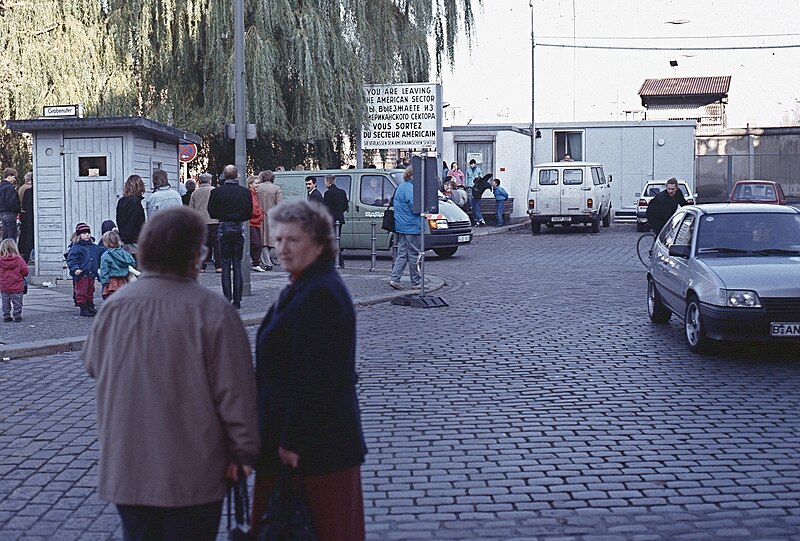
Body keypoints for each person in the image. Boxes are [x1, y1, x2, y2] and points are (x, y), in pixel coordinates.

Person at [83, 207, 260, 541]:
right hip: (193, 471)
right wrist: (244, 452)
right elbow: (236, 394)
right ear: (194, 256)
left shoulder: (115, 308)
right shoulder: (213, 312)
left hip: (128, 467)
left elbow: (92, 363)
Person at [251, 199, 366, 541]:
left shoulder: (321, 293)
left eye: (293, 240)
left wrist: (291, 442)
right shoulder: (305, 285)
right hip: (300, 444)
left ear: (318, 243)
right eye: (279, 239)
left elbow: (316, 379)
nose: (282, 248)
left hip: (312, 450)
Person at [207, 164, 252, 309]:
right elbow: (249, 213)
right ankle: (237, 300)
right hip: (238, 228)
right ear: (236, 176)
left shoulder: (217, 192)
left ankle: (227, 298)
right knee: (237, 263)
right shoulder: (245, 192)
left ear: (224, 176)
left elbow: (211, 212)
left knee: (225, 264)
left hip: (223, 227)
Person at [388, 166, 421, 290]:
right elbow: (415, 206)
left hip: (402, 225)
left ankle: (395, 278)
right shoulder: (411, 188)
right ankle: (416, 282)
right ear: (412, 175)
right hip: (412, 225)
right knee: (414, 255)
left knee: (402, 253)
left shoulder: (401, 186)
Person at [66, 222, 104, 317]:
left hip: (91, 274)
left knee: (90, 290)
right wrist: (75, 269)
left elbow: (102, 251)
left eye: (88, 233)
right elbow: (72, 260)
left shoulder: (94, 247)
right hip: (81, 274)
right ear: (79, 235)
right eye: (84, 233)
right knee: (81, 291)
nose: (87, 235)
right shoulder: (76, 247)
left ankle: (90, 306)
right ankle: (83, 308)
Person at [189, 173, 221, 272]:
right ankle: (218, 266)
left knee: (202, 243)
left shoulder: (195, 192)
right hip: (214, 220)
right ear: (209, 180)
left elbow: (191, 207)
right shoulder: (214, 190)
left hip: (200, 221)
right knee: (217, 244)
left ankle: (201, 266)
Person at [256, 170, 283, 270]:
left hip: (259, 217)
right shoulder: (277, 189)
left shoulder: (257, 188)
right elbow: (279, 205)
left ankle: (266, 262)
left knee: (262, 240)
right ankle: (274, 260)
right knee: (272, 239)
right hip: (272, 217)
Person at [98, 230, 136, 299]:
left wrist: (104, 281)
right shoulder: (125, 253)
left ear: (106, 242)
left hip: (112, 282)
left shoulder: (106, 255)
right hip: (124, 280)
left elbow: (104, 270)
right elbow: (133, 263)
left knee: (111, 299)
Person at [116, 175, 146, 255]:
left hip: (124, 239)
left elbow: (119, 219)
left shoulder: (121, 201)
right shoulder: (135, 202)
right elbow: (133, 222)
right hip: (135, 240)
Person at [0, 238, 28, 322]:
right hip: (17, 285)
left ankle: (6, 316)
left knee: (5, 302)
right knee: (17, 302)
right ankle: (17, 315)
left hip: (4, 286)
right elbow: (25, 271)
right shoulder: (19, 260)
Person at [323, 175, 348, 267]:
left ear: (328, 182)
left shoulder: (327, 194)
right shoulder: (342, 192)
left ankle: (336, 261)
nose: (324, 183)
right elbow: (345, 206)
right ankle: (339, 261)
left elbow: (325, 208)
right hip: (340, 219)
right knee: (336, 240)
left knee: (331, 241)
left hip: (331, 220)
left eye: (325, 181)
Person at [247, 175, 266, 272]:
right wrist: (260, 213)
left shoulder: (254, 195)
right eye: (256, 183)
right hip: (252, 222)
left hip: (255, 222)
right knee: (255, 243)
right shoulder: (251, 195)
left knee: (257, 243)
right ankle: (255, 262)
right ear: (250, 185)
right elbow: (253, 210)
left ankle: (255, 262)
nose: (258, 185)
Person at [17, 173, 33, 263]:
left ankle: (21, 250)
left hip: (22, 212)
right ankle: (27, 253)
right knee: (28, 233)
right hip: (27, 213)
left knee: (23, 233)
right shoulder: (28, 189)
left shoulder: (21, 188)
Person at [0, 168, 20, 241]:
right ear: (9, 176)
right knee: (11, 234)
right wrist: (18, 209)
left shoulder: (1, 186)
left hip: (2, 213)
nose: (14, 179)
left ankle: (4, 250)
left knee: (5, 233)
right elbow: (11, 202)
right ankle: (11, 250)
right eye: (14, 177)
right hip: (10, 213)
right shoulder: (9, 187)